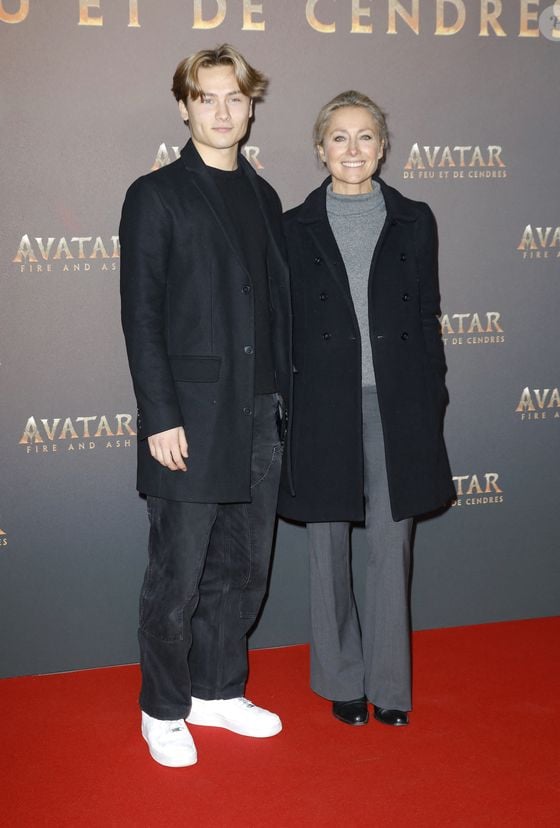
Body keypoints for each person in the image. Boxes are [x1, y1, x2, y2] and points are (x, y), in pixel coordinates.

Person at [120, 44, 292, 767]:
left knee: (245, 568)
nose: (222, 111)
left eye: (235, 97)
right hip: (188, 418)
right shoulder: (155, 194)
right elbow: (141, 315)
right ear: (184, 106)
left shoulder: (266, 196)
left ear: (252, 106)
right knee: (178, 576)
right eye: (206, 97)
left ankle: (219, 691)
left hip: (259, 415)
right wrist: (160, 415)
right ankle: (163, 707)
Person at [278, 91, 455, 728]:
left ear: (383, 147)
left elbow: (427, 313)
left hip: (395, 404)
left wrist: (431, 390)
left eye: (365, 137)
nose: (352, 150)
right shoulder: (291, 226)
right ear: (320, 148)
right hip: (323, 404)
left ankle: (391, 685)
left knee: (391, 544)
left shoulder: (416, 218)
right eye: (339, 138)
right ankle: (341, 680)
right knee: (327, 547)